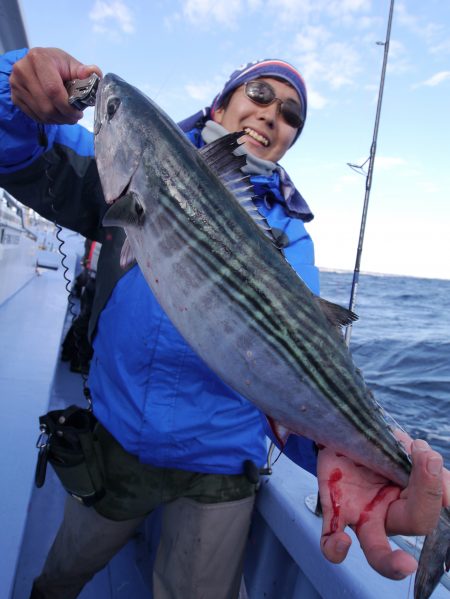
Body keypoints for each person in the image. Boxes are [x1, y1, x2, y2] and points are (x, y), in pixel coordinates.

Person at [0, 47, 448, 599]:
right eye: (260, 94)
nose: (272, 115)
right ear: (223, 101)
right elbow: (16, 150)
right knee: (59, 577)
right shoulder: (126, 167)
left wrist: (337, 446)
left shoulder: (291, 237)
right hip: (115, 444)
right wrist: (14, 85)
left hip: (220, 470)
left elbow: (297, 363)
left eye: (291, 115)